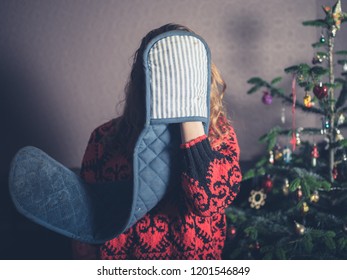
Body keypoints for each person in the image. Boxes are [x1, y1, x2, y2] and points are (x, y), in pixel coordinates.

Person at [72, 23, 242, 260]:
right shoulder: (104, 139)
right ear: (143, 79)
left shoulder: (219, 137)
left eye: (183, 75)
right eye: (164, 76)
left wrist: (189, 114)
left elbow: (208, 202)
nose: (173, 85)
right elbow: (87, 226)